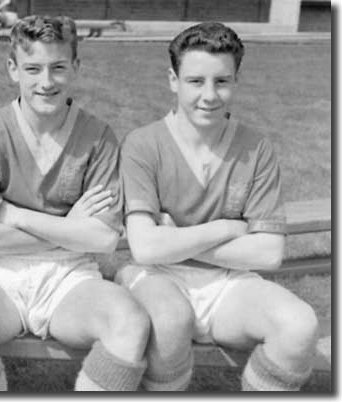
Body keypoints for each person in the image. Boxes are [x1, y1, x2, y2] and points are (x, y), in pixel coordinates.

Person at [0, 15, 150, 392]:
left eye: (58, 67)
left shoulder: (97, 136)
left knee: (129, 320)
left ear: (76, 68)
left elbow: (102, 241)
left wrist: (16, 215)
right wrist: (70, 228)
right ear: (12, 69)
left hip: (70, 274)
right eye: (33, 68)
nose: (46, 81)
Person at [116, 21, 318, 392]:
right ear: (173, 80)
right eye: (195, 81)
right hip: (158, 277)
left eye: (221, 81)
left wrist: (176, 238)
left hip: (228, 284)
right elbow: (145, 248)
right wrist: (225, 228)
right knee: (169, 318)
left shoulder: (255, 148)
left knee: (299, 325)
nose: (209, 95)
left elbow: (269, 253)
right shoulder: (143, 144)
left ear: (235, 80)